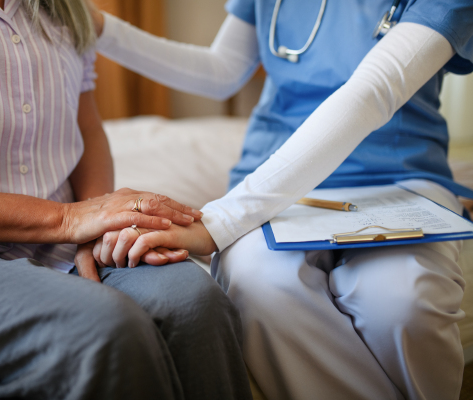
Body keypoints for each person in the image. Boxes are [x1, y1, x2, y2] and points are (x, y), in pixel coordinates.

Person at [91, 1, 473, 399]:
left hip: (399, 179)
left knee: (403, 302)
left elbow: (375, 89)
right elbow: (222, 70)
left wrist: (218, 222)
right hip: (275, 186)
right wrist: (101, 28)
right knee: (258, 282)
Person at [0, 1, 253, 399]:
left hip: (58, 242)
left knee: (195, 305)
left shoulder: (64, 8)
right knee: (105, 330)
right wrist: (68, 219)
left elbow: (85, 124)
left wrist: (97, 222)